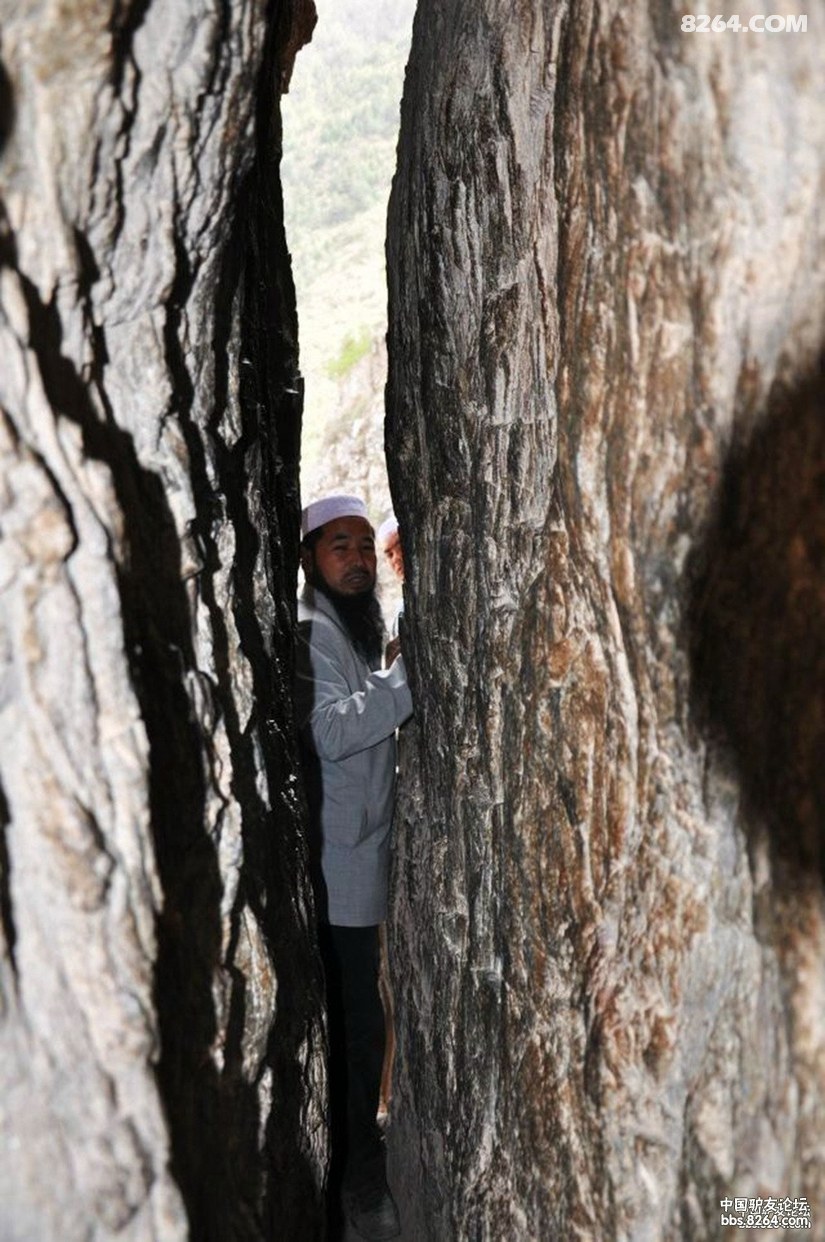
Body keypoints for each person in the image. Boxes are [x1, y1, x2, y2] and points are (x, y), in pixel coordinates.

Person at [294, 494, 412, 1242]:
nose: (359, 560)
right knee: (354, 1031)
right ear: (310, 557)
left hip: (358, 861)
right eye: (341, 546)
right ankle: (356, 1180)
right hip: (338, 869)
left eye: (366, 546)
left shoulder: (345, 627)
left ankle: (355, 1165)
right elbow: (330, 731)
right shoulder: (311, 630)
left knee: (362, 1022)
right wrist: (405, 684)